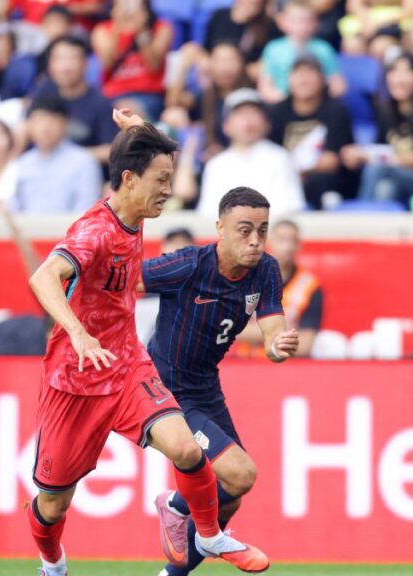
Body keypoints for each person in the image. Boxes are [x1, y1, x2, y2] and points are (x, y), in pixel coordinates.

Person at [26, 113, 269, 576]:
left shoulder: (133, 210)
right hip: (74, 380)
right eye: (161, 180)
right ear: (130, 179)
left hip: (126, 365)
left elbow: (141, 158)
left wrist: (139, 128)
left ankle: (210, 534)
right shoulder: (95, 232)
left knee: (186, 449)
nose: (168, 189)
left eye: (170, 179)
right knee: (52, 505)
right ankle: (52, 563)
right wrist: (77, 332)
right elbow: (43, 277)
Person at [144, 187, 298, 576]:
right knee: (240, 473)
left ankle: (170, 574)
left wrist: (280, 346)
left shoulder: (266, 269)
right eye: (245, 230)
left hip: (205, 387)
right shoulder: (188, 265)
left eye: (262, 231)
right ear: (220, 228)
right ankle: (176, 505)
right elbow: (124, 282)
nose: (255, 240)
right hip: (167, 387)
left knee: (229, 499)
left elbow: (273, 340)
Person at [345, 51, 413, 206]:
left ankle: (363, 214)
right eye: (394, 71)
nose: (399, 79)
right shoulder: (385, 112)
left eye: (407, 72)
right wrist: (359, 154)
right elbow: (380, 148)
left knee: (376, 170)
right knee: (386, 188)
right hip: (395, 176)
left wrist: (373, 157)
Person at [198, 88, 306, 217]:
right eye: (240, 114)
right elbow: (208, 212)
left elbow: (290, 208)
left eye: (254, 113)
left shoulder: (281, 158)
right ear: (226, 126)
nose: (248, 121)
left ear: (267, 123)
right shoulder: (216, 165)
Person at [269, 54, 354, 207]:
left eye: (310, 74)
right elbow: (271, 155)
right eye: (298, 74)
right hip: (285, 179)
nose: (303, 80)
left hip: (324, 181)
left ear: (322, 80)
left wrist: (299, 173)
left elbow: (330, 161)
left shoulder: (336, 110)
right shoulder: (277, 112)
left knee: (322, 180)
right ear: (289, 79)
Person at [234, 219, 322, 359]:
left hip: (286, 365)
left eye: (293, 240)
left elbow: (305, 345)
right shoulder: (246, 278)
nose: (287, 246)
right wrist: (282, 329)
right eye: (281, 239)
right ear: (269, 241)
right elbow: (230, 329)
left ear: (299, 245)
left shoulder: (310, 286)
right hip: (247, 362)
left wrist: (256, 330)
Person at [30, 35, 119, 163]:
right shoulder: (43, 91)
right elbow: (28, 126)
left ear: (85, 64)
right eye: (59, 59)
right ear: (50, 64)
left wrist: (69, 158)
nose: (65, 67)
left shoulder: (100, 103)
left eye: (73, 58)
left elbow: (111, 150)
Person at [10, 93, 103, 213]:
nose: (45, 127)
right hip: (28, 230)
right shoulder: (22, 164)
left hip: (70, 230)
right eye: (39, 120)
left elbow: (87, 211)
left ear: (65, 123)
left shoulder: (84, 162)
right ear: (29, 125)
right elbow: (16, 209)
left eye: (52, 120)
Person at [91, 0, 173, 118]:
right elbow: (108, 63)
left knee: (126, 110)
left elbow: (154, 66)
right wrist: (118, 27)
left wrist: (141, 31)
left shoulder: (161, 28)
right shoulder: (102, 30)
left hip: (148, 95)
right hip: (113, 94)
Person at [258, 0, 347, 104]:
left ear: (316, 23)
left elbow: (337, 84)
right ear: (282, 22)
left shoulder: (323, 49)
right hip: (283, 105)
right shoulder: (273, 49)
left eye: (307, 20)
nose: (302, 25)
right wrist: (283, 101)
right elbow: (265, 86)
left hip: (317, 104)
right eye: (296, 20)